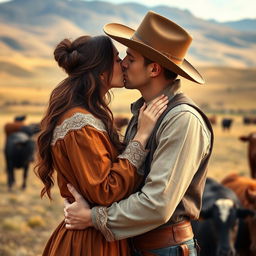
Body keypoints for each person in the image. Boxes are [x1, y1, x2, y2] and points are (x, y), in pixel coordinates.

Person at [64, 11, 214, 256]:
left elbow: (158, 204)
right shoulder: (145, 112)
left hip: (165, 248)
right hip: (139, 245)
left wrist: (93, 217)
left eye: (130, 58)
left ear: (154, 69)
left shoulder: (183, 119)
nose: (122, 63)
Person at [34, 35, 168, 256]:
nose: (123, 63)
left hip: (99, 234)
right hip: (91, 243)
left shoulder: (88, 115)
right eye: (117, 59)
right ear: (101, 70)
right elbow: (105, 191)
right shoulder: (80, 125)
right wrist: (141, 136)